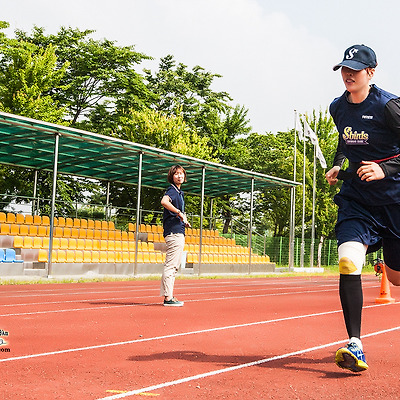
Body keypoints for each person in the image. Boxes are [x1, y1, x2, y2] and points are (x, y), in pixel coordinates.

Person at [325, 44, 400, 372]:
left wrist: (387, 169)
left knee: (396, 279)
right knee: (348, 260)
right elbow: (345, 141)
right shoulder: (337, 107)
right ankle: (355, 343)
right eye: (344, 68)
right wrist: (338, 164)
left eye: (355, 68)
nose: (348, 74)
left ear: (371, 72)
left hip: (395, 202)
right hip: (357, 200)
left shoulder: (390, 107)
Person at [160, 165, 190, 307]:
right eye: (176, 174)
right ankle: (168, 298)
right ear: (172, 176)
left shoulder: (179, 192)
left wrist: (184, 219)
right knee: (171, 266)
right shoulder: (172, 190)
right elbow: (164, 202)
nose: (179, 176)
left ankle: (169, 295)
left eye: (181, 174)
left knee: (174, 266)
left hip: (178, 230)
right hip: (174, 232)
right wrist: (178, 212)